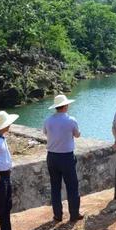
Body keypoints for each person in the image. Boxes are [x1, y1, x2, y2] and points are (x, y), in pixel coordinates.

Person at [44, 94, 83, 222]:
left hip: (52, 156)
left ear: (56, 107)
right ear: (65, 106)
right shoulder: (71, 120)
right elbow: (77, 135)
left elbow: (45, 133)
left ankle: (57, 215)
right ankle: (74, 214)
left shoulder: (48, 120)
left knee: (55, 187)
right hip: (66, 157)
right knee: (72, 186)